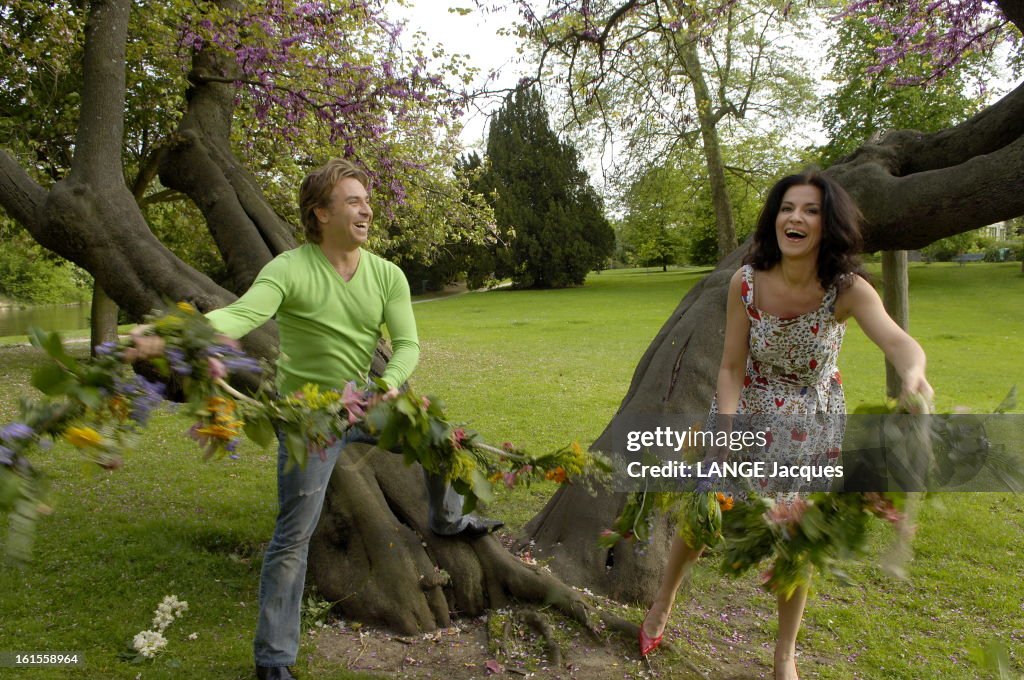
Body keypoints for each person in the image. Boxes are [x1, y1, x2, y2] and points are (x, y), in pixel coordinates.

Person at [128, 159, 502, 680]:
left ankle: (447, 519)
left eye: (367, 200)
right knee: (292, 536)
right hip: (310, 420)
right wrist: (174, 334)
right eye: (352, 200)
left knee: (448, 442)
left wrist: (391, 381)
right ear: (320, 212)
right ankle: (273, 660)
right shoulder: (289, 268)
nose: (366, 208)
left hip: (367, 405)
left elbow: (410, 343)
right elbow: (243, 314)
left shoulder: (386, 275)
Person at [637, 170, 934, 680]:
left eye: (811, 210)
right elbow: (730, 367)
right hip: (744, 408)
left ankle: (784, 657)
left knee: (798, 540)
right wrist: (723, 434)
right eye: (787, 207)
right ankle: (662, 604)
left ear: (828, 225)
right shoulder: (746, 282)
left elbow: (900, 342)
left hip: (810, 427)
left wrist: (913, 376)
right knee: (705, 513)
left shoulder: (847, 289)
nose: (795, 218)